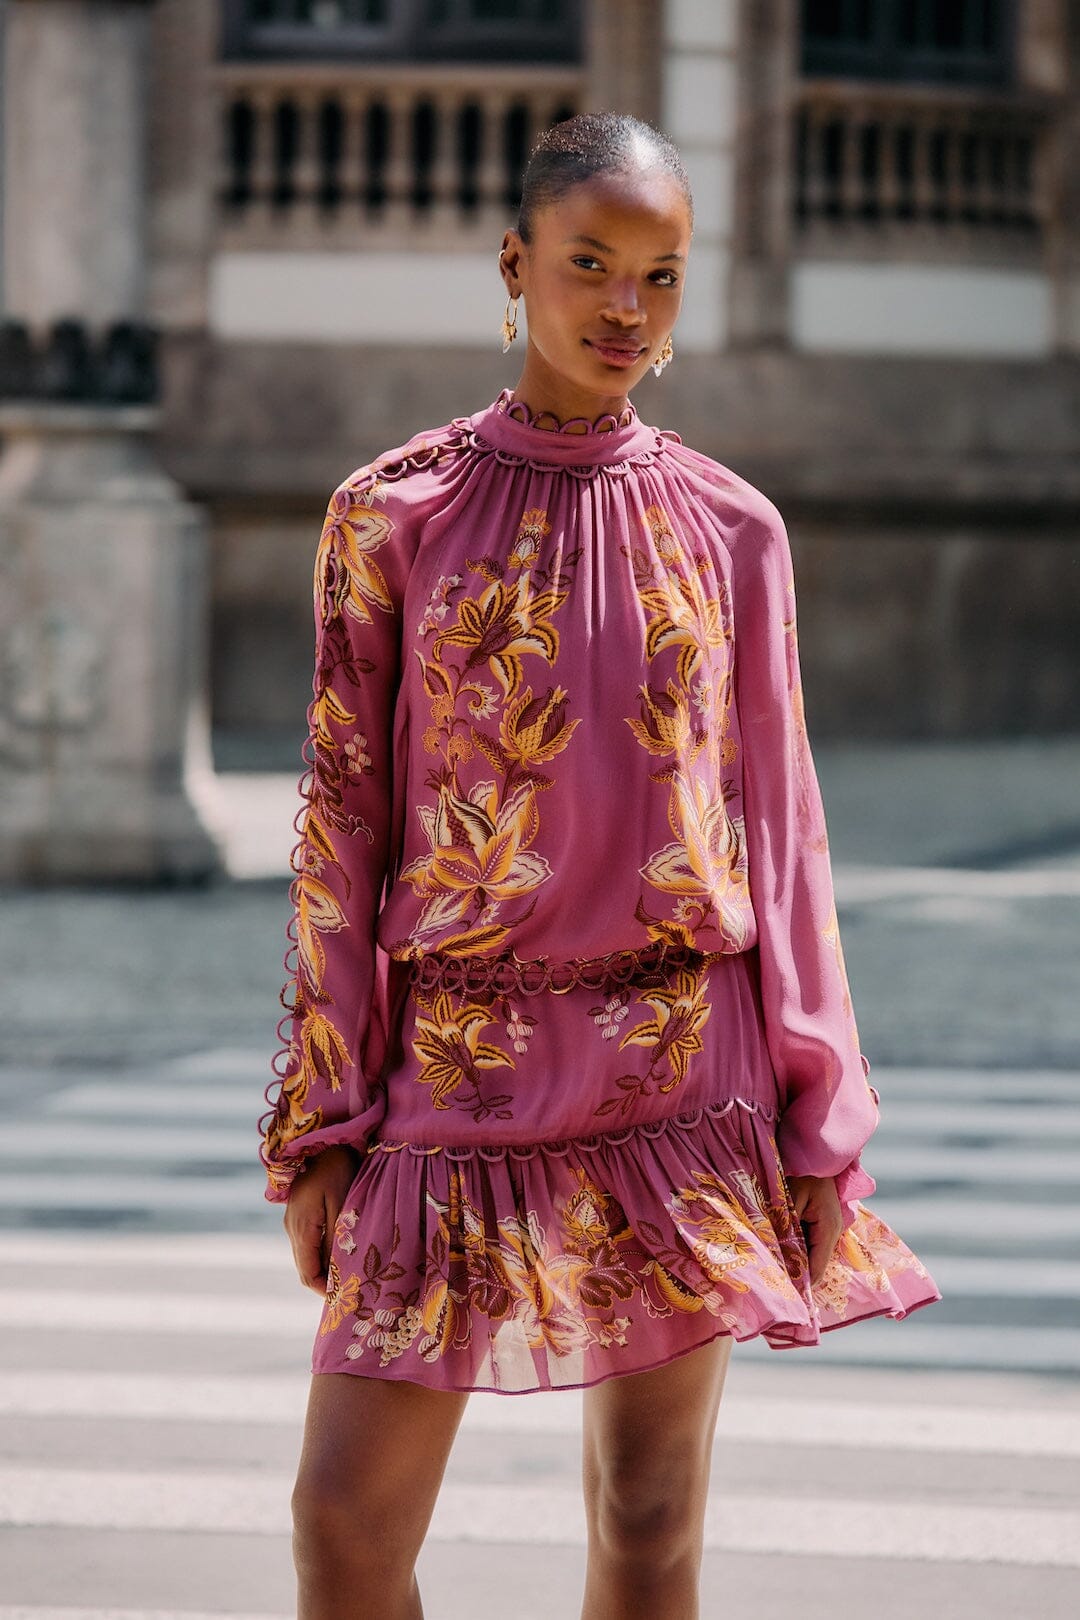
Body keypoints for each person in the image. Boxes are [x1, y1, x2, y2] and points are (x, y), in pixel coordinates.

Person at [258, 112, 942, 1620]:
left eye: (661, 277)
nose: (625, 307)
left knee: (648, 1521)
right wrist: (324, 1118)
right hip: (454, 1076)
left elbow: (787, 831)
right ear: (515, 267)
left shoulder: (733, 530)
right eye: (589, 265)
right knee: (343, 1527)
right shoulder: (391, 516)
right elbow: (343, 820)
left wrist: (821, 1122)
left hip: (679, 1079)